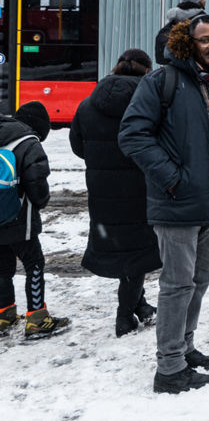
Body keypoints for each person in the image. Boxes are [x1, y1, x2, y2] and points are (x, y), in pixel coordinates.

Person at [118, 15, 209, 394]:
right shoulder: (161, 81)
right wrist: (172, 179)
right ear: (188, 44)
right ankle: (168, 369)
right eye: (206, 40)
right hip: (176, 202)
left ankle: (184, 348)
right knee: (177, 284)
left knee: (200, 279)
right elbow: (132, 135)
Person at [70, 48, 163, 337]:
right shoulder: (150, 103)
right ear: (147, 71)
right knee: (137, 255)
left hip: (103, 191)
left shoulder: (88, 105)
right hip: (140, 190)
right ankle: (124, 318)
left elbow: (77, 146)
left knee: (126, 251)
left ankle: (141, 306)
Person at [0, 102, 70, 340]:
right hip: (20, 217)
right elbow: (37, 181)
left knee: (2, 266)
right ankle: (38, 319)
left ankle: (4, 314)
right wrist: (40, 202)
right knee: (34, 263)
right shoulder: (29, 142)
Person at [154, 0, 205, 66]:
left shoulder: (173, 17)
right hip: (191, 63)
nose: (204, 0)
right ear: (197, 1)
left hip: (171, 62)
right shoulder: (199, 18)